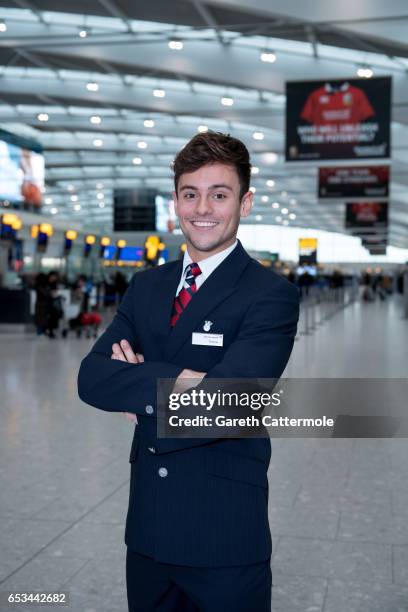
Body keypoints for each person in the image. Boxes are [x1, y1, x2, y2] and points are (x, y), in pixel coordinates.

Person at [78, 131, 300, 611]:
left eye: (219, 195)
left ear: (245, 202)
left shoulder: (269, 294)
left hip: (223, 535)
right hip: (148, 532)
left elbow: (230, 402)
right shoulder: (146, 286)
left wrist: (138, 391)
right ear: (175, 199)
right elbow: (91, 377)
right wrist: (181, 384)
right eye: (190, 194)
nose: (203, 208)